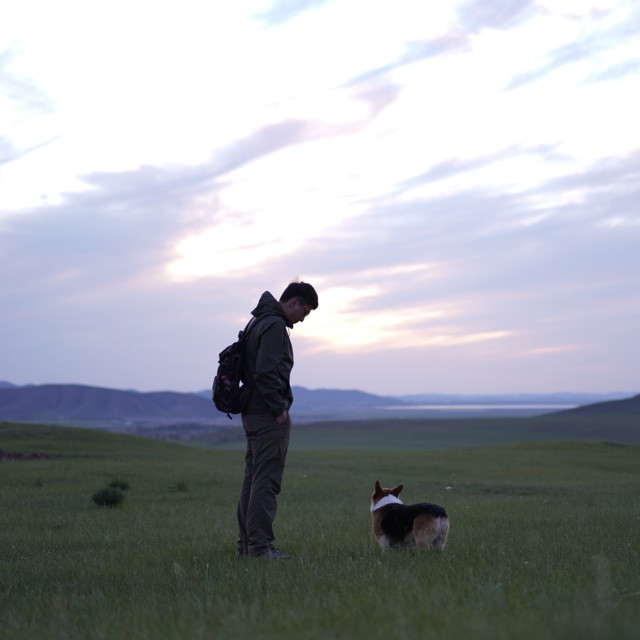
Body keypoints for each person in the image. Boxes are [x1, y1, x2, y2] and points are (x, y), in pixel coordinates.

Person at [236, 281, 319, 559]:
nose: (303, 318)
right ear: (293, 302)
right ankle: (260, 548)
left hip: (252, 411)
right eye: (305, 311)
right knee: (266, 482)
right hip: (267, 415)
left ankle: (247, 545)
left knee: (253, 480)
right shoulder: (273, 325)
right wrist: (279, 409)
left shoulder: (257, 321)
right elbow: (265, 373)